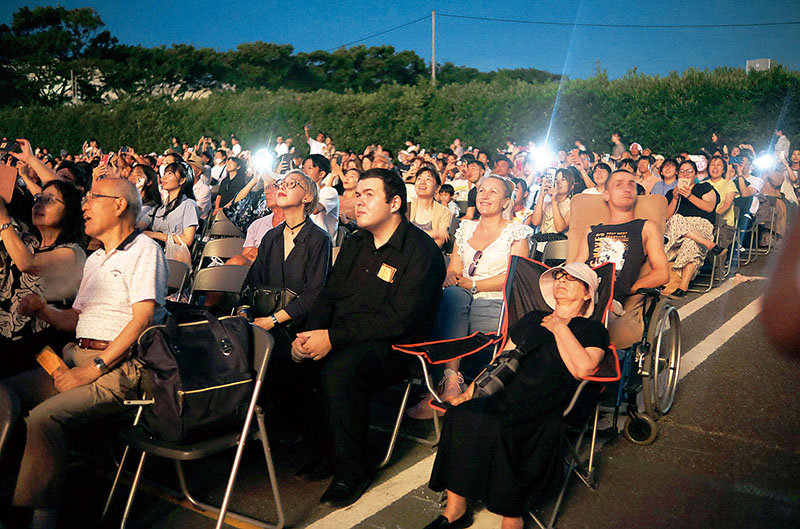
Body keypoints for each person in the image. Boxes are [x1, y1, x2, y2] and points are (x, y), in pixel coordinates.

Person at [0, 178, 167, 529]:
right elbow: (74, 318)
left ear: (120, 205)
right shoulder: (95, 259)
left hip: (121, 368)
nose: (85, 205)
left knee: (45, 418)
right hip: (79, 356)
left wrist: (93, 369)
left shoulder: (144, 251)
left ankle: (40, 522)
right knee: (5, 395)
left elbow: (143, 320)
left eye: (93, 198)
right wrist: (42, 310)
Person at [290, 169, 445, 508]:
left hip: (397, 345)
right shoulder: (356, 241)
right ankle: (326, 449)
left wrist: (332, 337)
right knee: (289, 362)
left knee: (339, 370)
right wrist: (307, 336)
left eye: (369, 194)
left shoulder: (420, 251)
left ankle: (352, 470)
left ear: (395, 203)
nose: (358, 200)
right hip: (346, 335)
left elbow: (400, 319)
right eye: (356, 193)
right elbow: (328, 297)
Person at [423, 263, 608, 529]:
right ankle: (455, 509)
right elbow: (500, 362)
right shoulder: (533, 318)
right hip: (507, 393)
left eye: (571, 279)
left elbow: (583, 368)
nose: (561, 281)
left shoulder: (591, 330)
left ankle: (511, 516)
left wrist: (559, 327)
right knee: (460, 414)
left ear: (588, 294)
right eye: (559, 277)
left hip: (546, 403)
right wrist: (470, 392)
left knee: (501, 426)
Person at [407, 177, 531, 419]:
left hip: (495, 301)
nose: (484, 196)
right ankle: (452, 381)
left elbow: (512, 278)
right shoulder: (465, 228)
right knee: (451, 298)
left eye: (493, 192)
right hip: (461, 296)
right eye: (481, 190)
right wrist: (451, 277)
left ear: (506, 200)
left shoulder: (516, 232)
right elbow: (455, 268)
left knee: (449, 311)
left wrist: (473, 284)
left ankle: (442, 386)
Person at [243, 170, 331, 451]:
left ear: (307, 197)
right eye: (281, 184)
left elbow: (314, 294)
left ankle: (297, 433)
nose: (282, 187)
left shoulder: (318, 239)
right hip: (266, 321)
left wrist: (272, 320)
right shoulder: (270, 238)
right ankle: (248, 430)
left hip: (298, 325)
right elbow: (253, 283)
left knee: (272, 353)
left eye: (292, 184)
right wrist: (246, 315)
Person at [0, 181, 87, 379]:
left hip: (42, 347)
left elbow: (27, 263)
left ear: (70, 211)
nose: (39, 204)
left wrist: (4, 218)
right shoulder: (25, 241)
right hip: (6, 335)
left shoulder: (72, 253)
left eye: (49, 200)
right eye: (38, 199)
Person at [575, 170, 670, 349]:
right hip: (583, 294)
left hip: (614, 300)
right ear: (606, 194)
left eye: (631, 184)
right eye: (618, 184)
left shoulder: (646, 227)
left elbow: (662, 274)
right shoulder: (592, 231)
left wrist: (629, 289)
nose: (627, 188)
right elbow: (577, 268)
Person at [663, 160, 721, 297]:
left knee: (691, 242)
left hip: (700, 226)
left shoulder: (704, 187)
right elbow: (666, 216)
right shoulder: (672, 193)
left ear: (695, 174)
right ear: (678, 174)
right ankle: (709, 244)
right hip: (678, 230)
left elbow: (709, 207)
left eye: (689, 171)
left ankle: (683, 285)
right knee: (676, 218)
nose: (685, 174)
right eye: (682, 171)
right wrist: (676, 198)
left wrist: (689, 196)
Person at [143, 162, 199, 261]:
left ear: (182, 180)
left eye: (170, 174)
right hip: (154, 252)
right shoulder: (160, 208)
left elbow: (187, 240)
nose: (164, 178)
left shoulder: (188, 204)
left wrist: (154, 235)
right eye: (164, 173)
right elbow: (139, 224)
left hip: (173, 256)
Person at [408, 166, 452, 248]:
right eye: (419, 178)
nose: (422, 182)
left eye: (428, 179)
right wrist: (433, 233)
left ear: (437, 188)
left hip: (429, 256)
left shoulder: (444, 212)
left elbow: (441, 238)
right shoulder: (405, 207)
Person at [302, 155, 339, 239]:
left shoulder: (329, 191)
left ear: (321, 174)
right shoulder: (303, 192)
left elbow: (314, 209)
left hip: (321, 242)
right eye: (303, 168)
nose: (304, 172)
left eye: (309, 168)